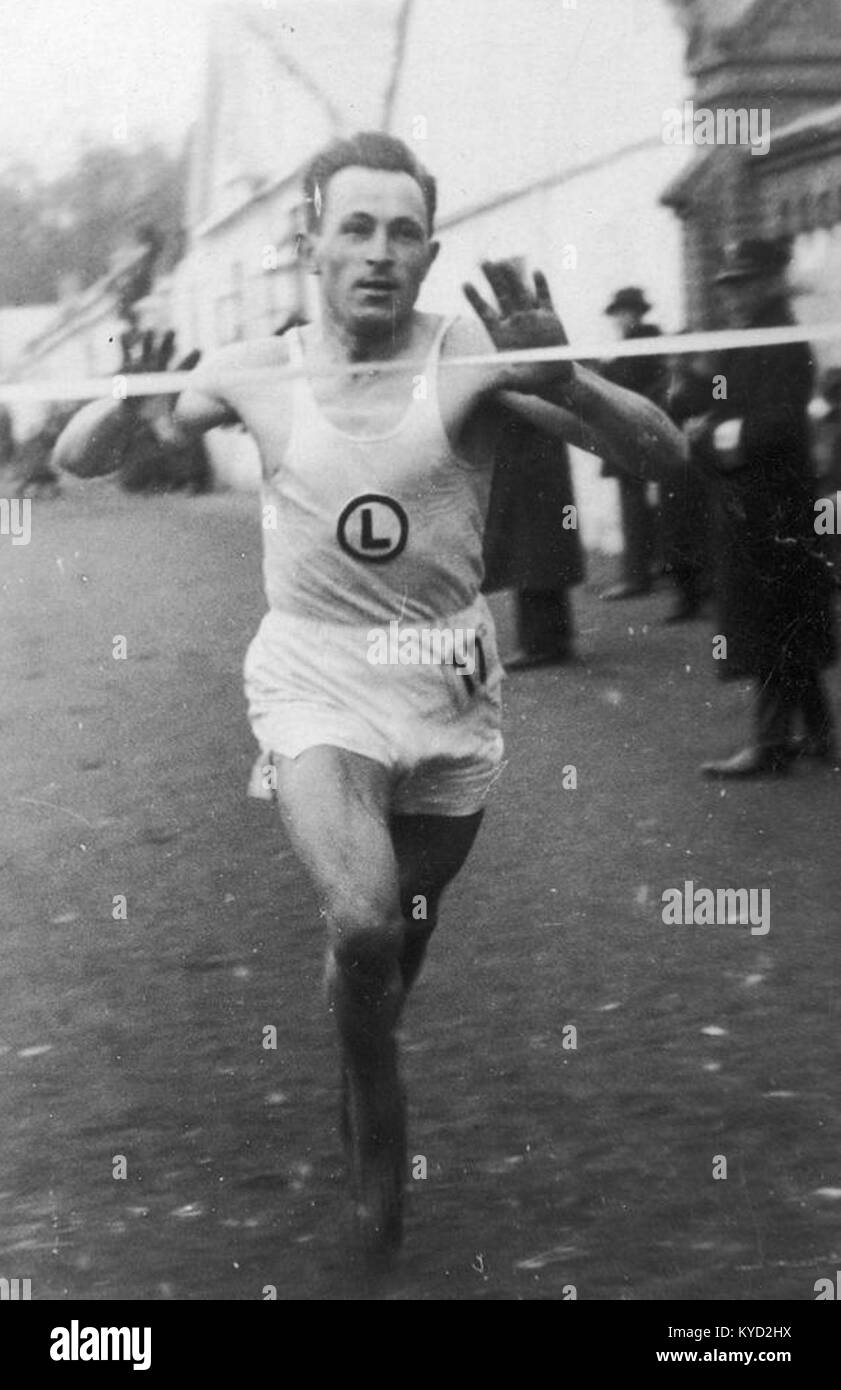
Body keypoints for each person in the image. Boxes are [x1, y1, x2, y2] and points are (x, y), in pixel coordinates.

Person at [170, 131, 684, 1265]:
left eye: (403, 231)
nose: (378, 251)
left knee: (395, 935)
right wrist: (137, 404)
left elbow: (663, 461)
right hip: (313, 674)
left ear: (430, 248)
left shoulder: (473, 358)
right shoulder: (264, 364)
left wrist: (571, 376)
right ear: (311, 241)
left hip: (447, 683)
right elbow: (116, 439)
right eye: (355, 226)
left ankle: (363, 1031)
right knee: (361, 916)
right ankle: (371, 1110)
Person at [695, 237, 836, 778]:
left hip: (775, 504)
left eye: (744, 283)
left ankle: (772, 744)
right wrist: (707, 425)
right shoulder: (748, 340)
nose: (733, 294)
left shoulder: (782, 339)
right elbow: (721, 402)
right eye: (729, 285)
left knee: (771, 620)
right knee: (788, 618)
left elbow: (779, 423)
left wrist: (713, 437)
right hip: (753, 501)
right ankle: (819, 733)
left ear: (772, 282)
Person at [481, 399, 584, 668]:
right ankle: (552, 638)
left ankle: (542, 642)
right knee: (535, 551)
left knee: (532, 552)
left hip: (529, 457)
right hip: (532, 454)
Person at [599, 286, 667, 600]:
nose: (618, 320)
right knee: (639, 503)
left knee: (634, 505)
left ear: (634, 313)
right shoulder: (639, 341)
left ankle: (637, 576)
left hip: (635, 431)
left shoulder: (643, 340)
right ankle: (648, 567)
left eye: (622, 313)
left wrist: (604, 372)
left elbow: (625, 380)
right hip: (634, 430)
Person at [660, 344, 714, 622]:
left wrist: (703, 422)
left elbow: (720, 408)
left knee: (698, 532)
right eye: (672, 355)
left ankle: (702, 594)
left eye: (680, 355)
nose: (674, 361)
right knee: (675, 535)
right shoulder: (663, 388)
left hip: (696, 466)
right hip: (672, 468)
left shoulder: (705, 384)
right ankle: (685, 598)